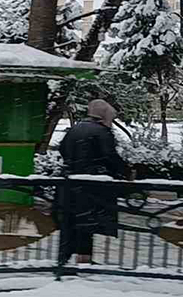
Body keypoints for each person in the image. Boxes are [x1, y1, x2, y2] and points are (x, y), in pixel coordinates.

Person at [55, 99, 129, 267]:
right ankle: (83, 259)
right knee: (88, 223)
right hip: (92, 185)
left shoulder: (75, 128)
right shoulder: (102, 132)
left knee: (71, 222)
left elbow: (63, 149)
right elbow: (109, 156)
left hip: (70, 183)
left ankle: (64, 260)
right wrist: (124, 171)